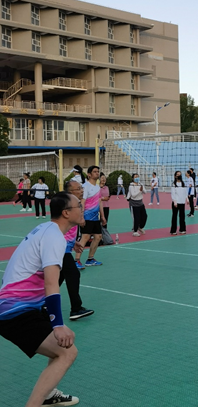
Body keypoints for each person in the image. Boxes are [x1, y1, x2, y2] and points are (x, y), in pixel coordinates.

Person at [0, 191, 81, 406]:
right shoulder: (54, 237)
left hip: (20, 305)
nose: (82, 208)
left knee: (64, 345)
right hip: (15, 310)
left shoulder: (48, 229)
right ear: (66, 213)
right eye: (79, 206)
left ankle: (48, 394)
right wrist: (58, 324)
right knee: (67, 352)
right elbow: (51, 284)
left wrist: (71, 246)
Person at [62, 180, 95, 321]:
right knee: (73, 275)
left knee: (59, 277)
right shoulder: (66, 205)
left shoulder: (76, 204)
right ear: (70, 192)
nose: (82, 190)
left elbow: (69, 228)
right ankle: (76, 309)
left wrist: (73, 243)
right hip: (60, 248)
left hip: (65, 246)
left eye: (81, 188)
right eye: (78, 188)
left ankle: (43, 303)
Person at [74, 165, 106, 269]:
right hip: (87, 216)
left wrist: (102, 216)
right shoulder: (85, 186)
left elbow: (99, 201)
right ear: (89, 174)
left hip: (95, 217)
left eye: (98, 171)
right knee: (85, 237)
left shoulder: (97, 187)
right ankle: (77, 260)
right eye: (95, 172)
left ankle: (90, 259)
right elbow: (82, 202)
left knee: (98, 237)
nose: (97, 173)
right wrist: (81, 217)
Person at [127, 173, 148, 237]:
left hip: (140, 202)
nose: (137, 178)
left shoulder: (140, 184)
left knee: (144, 216)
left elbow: (145, 192)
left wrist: (142, 189)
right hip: (134, 203)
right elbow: (133, 195)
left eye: (138, 177)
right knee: (136, 218)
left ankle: (140, 227)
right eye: (135, 177)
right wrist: (140, 191)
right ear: (133, 178)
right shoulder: (131, 185)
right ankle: (135, 231)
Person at [170, 171, 187, 235]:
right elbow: (173, 193)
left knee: (182, 216)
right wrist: (175, 201)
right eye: (177, 174)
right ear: (175, 176)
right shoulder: (174, 184)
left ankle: (182, 229)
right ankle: (173, 230)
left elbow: (185, 192)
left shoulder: (183, 183)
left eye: (180, 174)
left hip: (182, 202)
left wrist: (187, 199)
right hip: (176, 203)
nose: (179, 176)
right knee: (174, 217)